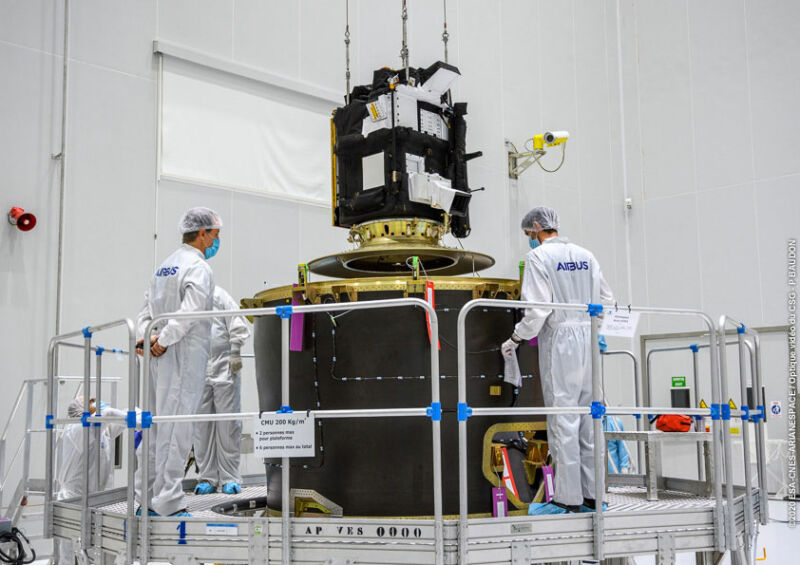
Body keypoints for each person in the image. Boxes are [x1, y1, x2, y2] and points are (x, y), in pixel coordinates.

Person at [502, 206, 614, 515]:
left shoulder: (539, 258)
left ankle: (567, 498)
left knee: (564, 418)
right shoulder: (586, 255)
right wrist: (595, 328)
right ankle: (595, 496)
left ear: (537, 227)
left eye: (529, 234)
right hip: (588, 338)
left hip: (561, 340)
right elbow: (607, 300)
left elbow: (537, 309)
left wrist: (515, 337)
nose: (530, 239)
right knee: (591, 417)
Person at [134, 207, 221, 517]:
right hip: (183, 357)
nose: (216, 241)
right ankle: (169, 502)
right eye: (215, 235)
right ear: (202, 233)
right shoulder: (197, 267)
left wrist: (146, 337)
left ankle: (145, 499)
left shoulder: (164, 266)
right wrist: (166, 339)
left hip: (157, 357)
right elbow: (191, 311)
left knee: (153, 427)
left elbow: (146, 308)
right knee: (177, 428)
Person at [193, 286, 251, 495]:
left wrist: (235, 352)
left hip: (224, 366)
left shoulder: (219, 295)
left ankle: (230, 477)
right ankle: (207, 476)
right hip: (197, 367)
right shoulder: (188, 299)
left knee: (228, 424)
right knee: (201, 426)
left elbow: (237, 323)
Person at [55, 397, 127, 564]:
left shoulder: (100, 430)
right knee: (70, 556)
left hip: (96, 501)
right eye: (91, 400)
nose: (97, 400)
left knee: (99, 553)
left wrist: (138, 418)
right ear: (81, 410)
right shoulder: (78, 429)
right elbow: (109, 414)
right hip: (73, 501)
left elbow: (120, 419)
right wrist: (133, 420)